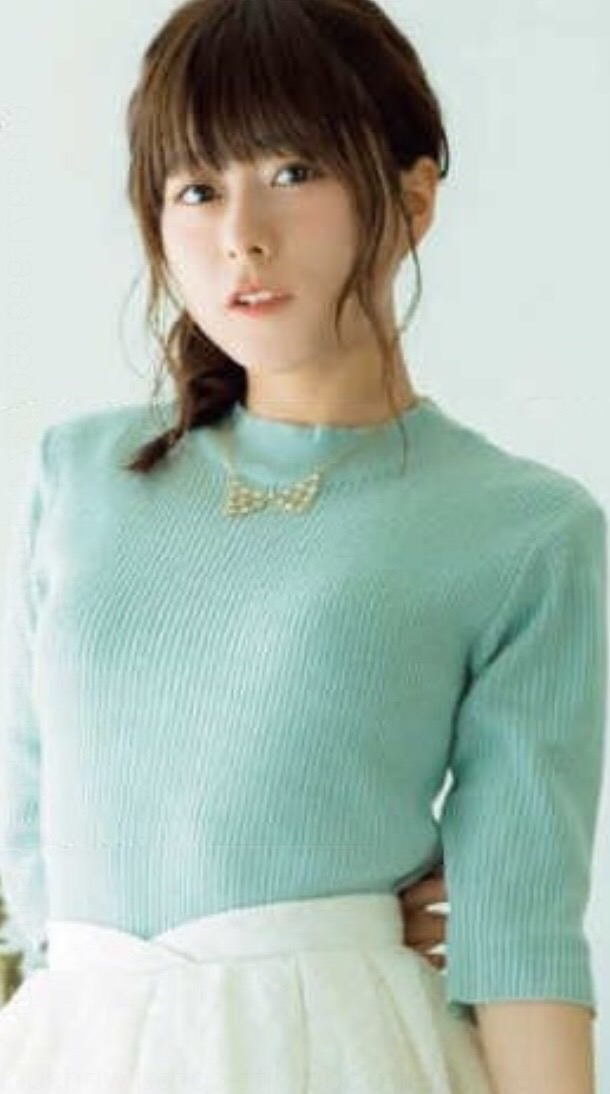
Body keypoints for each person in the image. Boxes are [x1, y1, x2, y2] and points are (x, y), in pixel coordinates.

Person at [0, 0, 605, 1091]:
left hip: (339, 1055)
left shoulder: (519, 529)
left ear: (411, 198)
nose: (242, 234)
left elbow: (521, 935)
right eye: (196, 189)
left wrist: (323, 933)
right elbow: (28, 842)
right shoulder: (78, 475)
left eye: (292, 170)